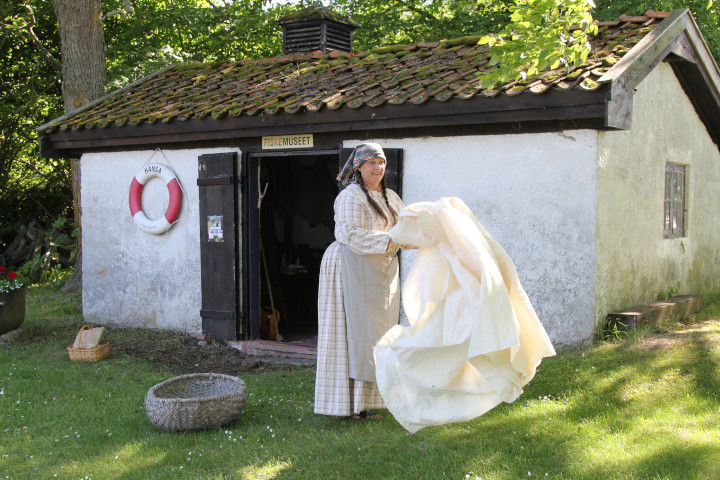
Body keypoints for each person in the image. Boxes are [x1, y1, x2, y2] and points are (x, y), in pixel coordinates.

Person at [314, 143, 404, 419]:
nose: (377, 168)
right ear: (359, 167)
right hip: (349, 268)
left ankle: (370, 401)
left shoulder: (390, 196)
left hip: (379, 271)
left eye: (381, 162)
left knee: (377, 333)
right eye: (371, 163)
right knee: (351, 334)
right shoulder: (350, 197)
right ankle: (348, 405)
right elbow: (350, 233)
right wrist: (391, 240)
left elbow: (406, 227)